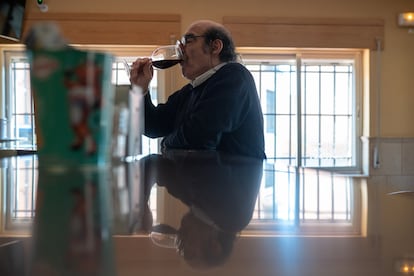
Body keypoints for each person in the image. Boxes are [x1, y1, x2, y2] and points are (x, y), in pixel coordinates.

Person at [130, 20, 266, 159]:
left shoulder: (234, 75)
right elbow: (153, 127)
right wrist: (140, 90)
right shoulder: (189, 91)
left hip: (236, 179)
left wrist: (165, 142)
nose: (180, 49)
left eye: (188, 40)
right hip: (206, 179)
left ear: (215, 46)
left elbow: (198, 136)